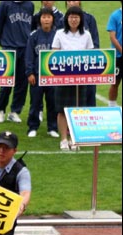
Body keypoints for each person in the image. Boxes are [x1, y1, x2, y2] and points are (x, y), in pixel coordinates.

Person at [52, 5, 93, 151]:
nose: (74, 20)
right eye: (71, 17)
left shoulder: (86, 35)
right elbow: (54, 53)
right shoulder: (59, 34)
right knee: (62, 109)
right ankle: (63, 139)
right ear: (66, 19)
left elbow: (90, 55)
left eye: (76, 17)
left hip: (80, 78)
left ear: (80, 19)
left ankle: (75, 138)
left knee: (77, 109)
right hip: (63, 77)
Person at [0, 1, 34, 124]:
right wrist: (5, 44)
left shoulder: (29, 5)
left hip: (25, 48)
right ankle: (0, 110)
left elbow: (30, 27)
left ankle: (15, 111)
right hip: (9, 48)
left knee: (22, 83)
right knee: (6, 82)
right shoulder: (4, 5)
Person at [25, 7, 59, 139]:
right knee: (35, 103)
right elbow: (29, 56)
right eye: (43, 17)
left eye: (48, 17)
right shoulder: (34, 36)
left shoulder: (58, 35)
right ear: (39, 19)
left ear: (52, 19)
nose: (46, 20)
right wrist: (29, 73)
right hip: (37, 76)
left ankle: (52, 127)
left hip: (52, 77)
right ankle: (32, 127)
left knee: (52, 103)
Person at [65, 1, 99, 107]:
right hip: (67, 67)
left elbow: (95, 44)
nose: (72, 2)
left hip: (86, 67)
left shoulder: (90, 19)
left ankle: (89, 122)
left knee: (89, 96)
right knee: (68, 100)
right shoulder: (62, 20)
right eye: (69, 0)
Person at [106, 3, 122, 107]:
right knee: (115, 82)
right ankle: (111, 106)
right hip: (118, 56)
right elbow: (112, 37)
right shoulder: (115, 15)